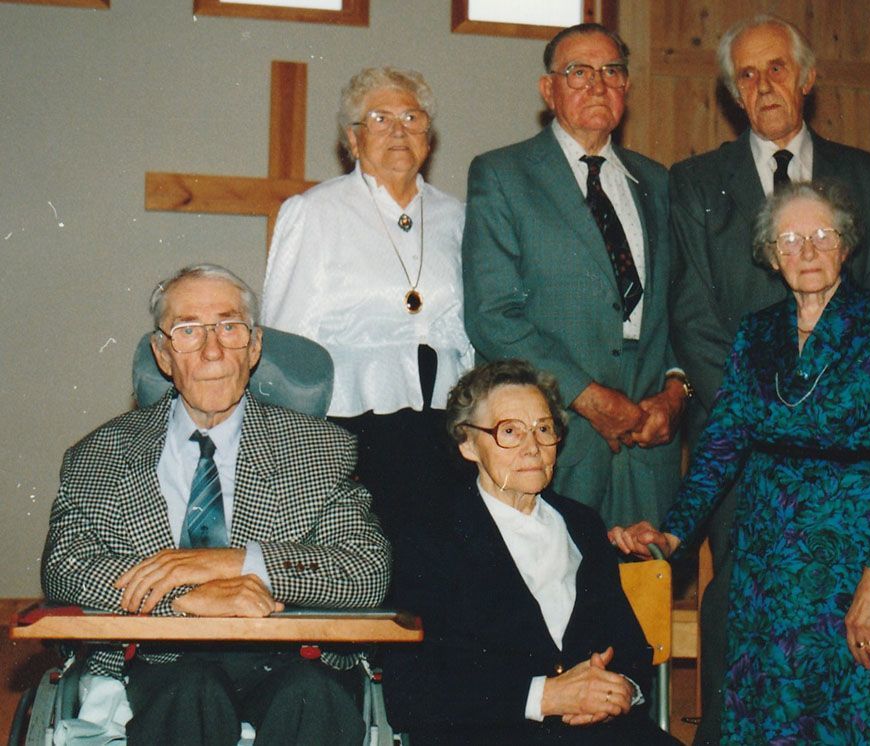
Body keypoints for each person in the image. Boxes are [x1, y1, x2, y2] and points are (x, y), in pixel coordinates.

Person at [612, 182, 870, 743]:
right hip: (766, 563)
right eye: (790, 239)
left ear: (846, 245)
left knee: (843, 716)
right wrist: (670, 535)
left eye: (820, 236)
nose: (806, 251)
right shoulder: (757, 331)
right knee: (763, 711)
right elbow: (721, 444)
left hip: (848, 562)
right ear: (770, 253)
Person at [41, 264, 391, 745]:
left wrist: (231, 562)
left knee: (314, 699)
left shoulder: (320, 447)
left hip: (288, 654)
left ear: (255, 346)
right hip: (160, 660)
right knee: (191, 692)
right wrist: (180, 598)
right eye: (188, 331)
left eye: (229, 327)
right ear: (163, 355)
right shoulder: (101, 453)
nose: (212, 350)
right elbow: (66, 566)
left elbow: (366, 570)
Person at [666, 15, 870, 739]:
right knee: (740, 600)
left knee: (838, 603)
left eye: (776, 69)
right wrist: (761, 417)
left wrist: (824, 413)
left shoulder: (863, 174)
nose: (764, 85)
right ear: (733, 94)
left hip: (843, 446)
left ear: (807, 77)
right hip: (741, 446)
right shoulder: (696, 182)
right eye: (747, 75)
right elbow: (694, 316)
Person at [383, 359, 680, 745]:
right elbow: (409, 692)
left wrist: (620, 688)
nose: (533, 448)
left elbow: (628, 647)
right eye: (509, 431)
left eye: (544, 429)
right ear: (468, 443)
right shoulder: (431, 538)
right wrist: (545, 696)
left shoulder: (583, 525)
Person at [461, 23, 686, 528]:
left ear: (626, 87)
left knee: (641, 598)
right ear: (549, 89)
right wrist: (586, 396)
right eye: (578, 72)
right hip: (554, 435)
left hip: (646, 446)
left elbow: (677, 310)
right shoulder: (502, 174)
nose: (597, 84)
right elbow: (492, 315)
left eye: (611, 71)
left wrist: (675, 393)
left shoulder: (657, 182)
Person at [262, 66, 471, 564]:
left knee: (441, 568)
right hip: (353, 426)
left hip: (446, 422)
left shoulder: (458, 216)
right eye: (380, 118)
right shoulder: (315, 212)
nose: (398, 130)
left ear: (429, 137)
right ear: (352, 140)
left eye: (412, 117)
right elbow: (285, 341)